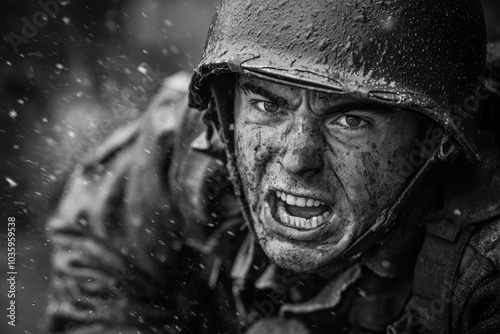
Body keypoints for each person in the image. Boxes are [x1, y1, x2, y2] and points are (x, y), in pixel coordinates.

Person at [46, 0, 500, 333]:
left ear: (433, 139)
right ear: (227, 110)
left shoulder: (485, 261)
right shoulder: (191, 142)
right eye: (267, 104)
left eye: (350, 120)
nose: (297, 159)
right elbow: (100, 259)